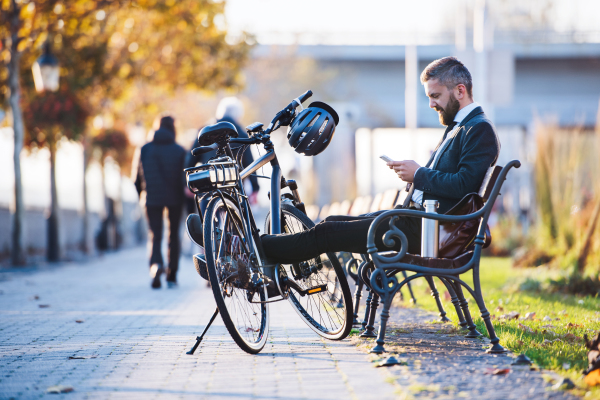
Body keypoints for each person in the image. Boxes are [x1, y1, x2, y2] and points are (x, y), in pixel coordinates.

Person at [261, 56, 500, 263]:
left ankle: (261, 249)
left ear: (460, 90)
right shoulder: (462, 126)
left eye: (435, 96)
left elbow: (464, 185)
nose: (431, 104)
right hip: (416, 220)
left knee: (329, 232)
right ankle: (268, 253)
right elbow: (452, 181)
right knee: (332, 222)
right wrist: (414, 177)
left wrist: (418, 174)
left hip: (427, 228)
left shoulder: (478, 129)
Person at [133, 115, 186, 289]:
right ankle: (172, 275)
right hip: (175, 198)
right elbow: (183, 179)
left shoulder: (144, 149)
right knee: (173, 236)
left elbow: (136, 179)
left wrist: (142, 195)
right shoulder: (179, 150)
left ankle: (156, 267)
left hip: (151, 198)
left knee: (154, 234)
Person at [185, 97, 260, 208]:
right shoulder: (241, 134)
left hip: (209, 183)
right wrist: (255, 188)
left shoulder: (204, 131)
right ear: (238, 115)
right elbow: (249, 162)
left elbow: (191, 158)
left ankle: (208, 224)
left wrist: (187, 184)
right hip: (233, 185)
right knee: (238, 217)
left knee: (208, 216)